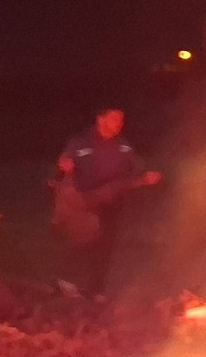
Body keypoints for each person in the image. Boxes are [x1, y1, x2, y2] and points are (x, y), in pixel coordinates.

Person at [52, 107, 160, 297]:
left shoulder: (123, 146)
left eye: (121, 120)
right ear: (100, 120)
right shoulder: (81, 142)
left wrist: (146, 177)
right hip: (83, 201)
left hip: (111, 202)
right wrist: (64, 165)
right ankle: (65, 281)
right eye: (114, 119)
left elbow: (135, 170)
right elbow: (64, 161)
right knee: (83, 239)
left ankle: (96, 289)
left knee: (106, 245)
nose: (119, 124)